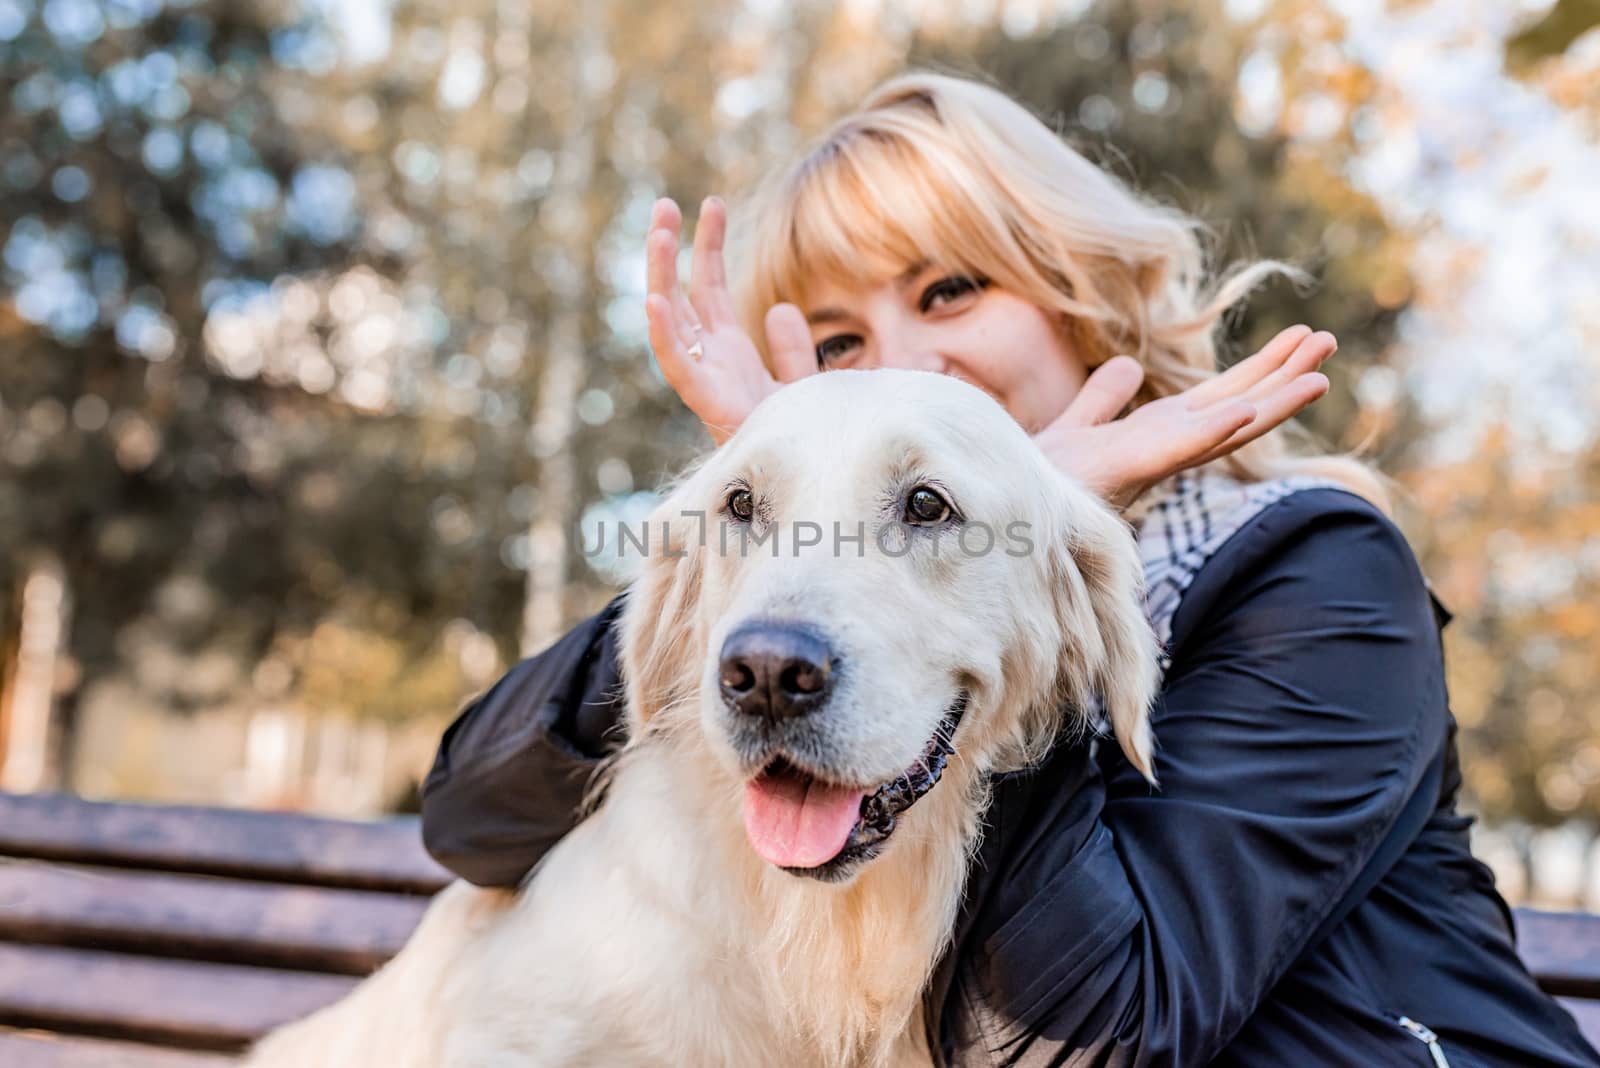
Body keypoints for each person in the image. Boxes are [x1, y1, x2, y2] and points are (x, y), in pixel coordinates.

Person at [419, 72, 1599, 1067]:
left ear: (1076, 284)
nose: (903, 360)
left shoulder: (1318, 568)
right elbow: (471, 819)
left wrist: (1027, 517)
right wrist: (758, 520)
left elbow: (1083, 1037)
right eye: (837, 344)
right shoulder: (824, 609)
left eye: (949, 289)